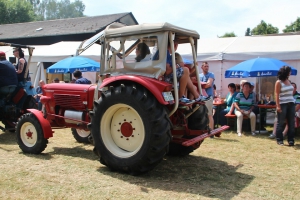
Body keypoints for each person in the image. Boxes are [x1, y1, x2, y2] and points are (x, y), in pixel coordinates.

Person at [274, 66, 295, 146]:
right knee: (281, 122)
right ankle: (279, 139)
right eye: (289, 71)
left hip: (291, 103)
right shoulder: (279, 82)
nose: (290, 73)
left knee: (291, 122)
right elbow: (277, 94)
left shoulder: (289, 81)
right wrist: (278, 106)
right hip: (283, 104)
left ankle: (291, 140)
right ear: (285, 72)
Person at [200, 62, 215, 131]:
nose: (206, 67)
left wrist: (199, 86)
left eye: (207, 66)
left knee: (209, 114)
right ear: (202, 67)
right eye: (205, 66)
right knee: (201, 114)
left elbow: (209, 84)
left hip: (208, 97)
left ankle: (211, 131)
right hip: (200, 98)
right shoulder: (199, 75)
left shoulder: (211, 74)